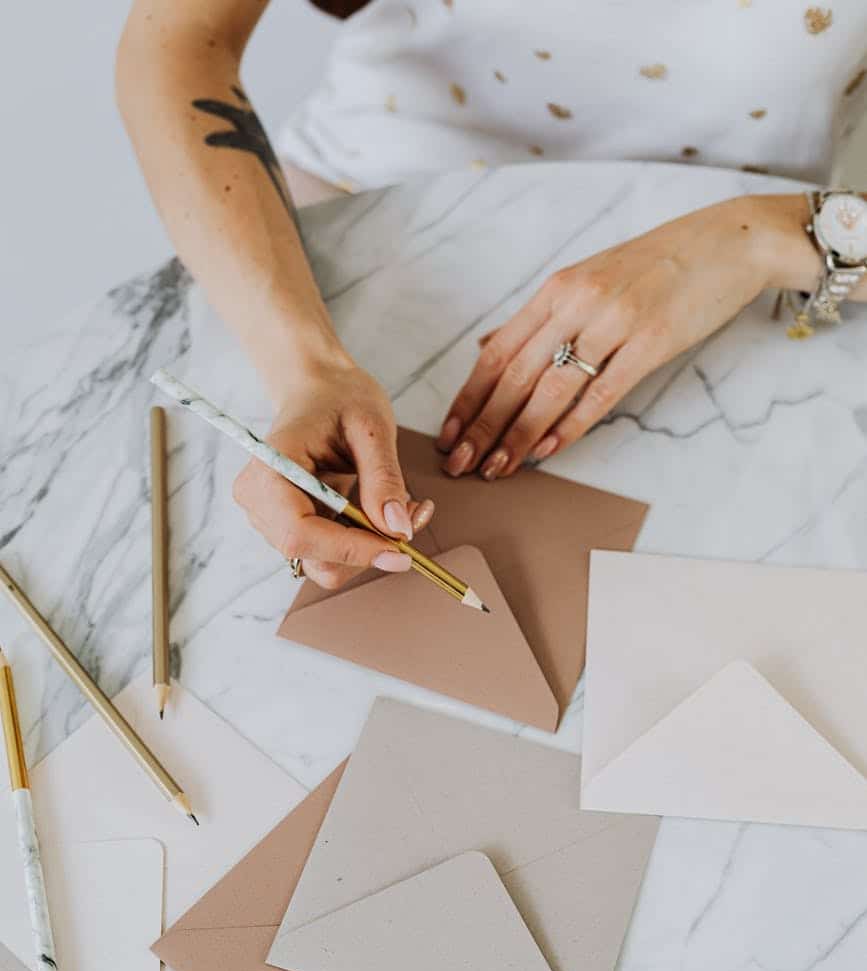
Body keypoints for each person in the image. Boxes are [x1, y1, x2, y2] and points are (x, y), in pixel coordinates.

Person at [117, 0, 867, 590]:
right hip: (332, 238)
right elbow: (177, 42)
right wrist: (305, 368)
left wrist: (753, 238)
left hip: (750, 291)